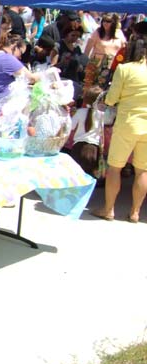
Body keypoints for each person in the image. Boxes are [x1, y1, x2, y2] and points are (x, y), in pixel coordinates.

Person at [92, 36, 147, 223]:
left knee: (115, 168)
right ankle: (135, 213)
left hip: (128, 123)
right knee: (143, 171)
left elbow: (111, 99)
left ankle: (108, 210)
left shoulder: (124, 69)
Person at [83, 13, 127, 90]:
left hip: (111, 63)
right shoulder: (97, 32)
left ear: (113, 23)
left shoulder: (119, 33)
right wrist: (84, 61)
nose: (105, 23)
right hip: (95, 62)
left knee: (104, 87)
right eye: (104, 21)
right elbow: (87, 49)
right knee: (89, 86)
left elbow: (124, 48)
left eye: (108, 21)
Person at [69, 85, 104, 178]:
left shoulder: (80, 112)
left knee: (75, 177)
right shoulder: (102, 115)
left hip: (78, 148)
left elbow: (71, 127)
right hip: (94, 150)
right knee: (89, 178)